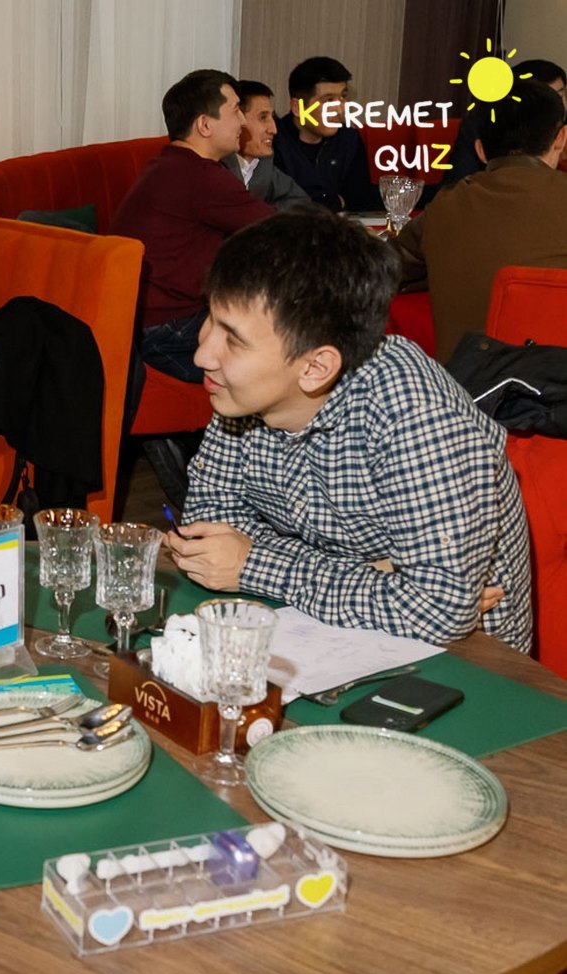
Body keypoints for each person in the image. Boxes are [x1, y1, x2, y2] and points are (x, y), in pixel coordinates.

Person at [166, 205, 530, 651]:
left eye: (233, 340)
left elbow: (437, 612)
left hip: (462, 661)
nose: (203, 354)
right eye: (210, 318)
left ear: (316, 368)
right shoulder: (243, 393)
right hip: (316, 629)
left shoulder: (414, 416)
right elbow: (209, 528)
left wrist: (254, 563)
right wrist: (372, 573)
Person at [112, 70, 274, 384]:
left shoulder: (169, 164)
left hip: (143, 318)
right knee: (287, 347)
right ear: (204, 125)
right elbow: (280, 228)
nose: (243, 122)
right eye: (236, 111)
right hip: (166, 328)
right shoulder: (200, 176)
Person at [392, 80, 567, 362]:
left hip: (465, 382)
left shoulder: (444, 206)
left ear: (480, 150)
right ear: (561, 138)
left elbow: (382, 269)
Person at [271, 56, 381, 211]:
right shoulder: (273, 140)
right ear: (298, 108)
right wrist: (336, 201)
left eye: (343, 97)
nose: (340, 109)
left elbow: (361, 197)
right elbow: (284, 205)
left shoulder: (349, 138)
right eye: (328, 100)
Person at [440, 58, 567, 190]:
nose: (554, 107)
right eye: (542, 101)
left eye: (560, 95)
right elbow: (456, 182)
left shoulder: (563, 127)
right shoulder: (481, 126)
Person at [222, 79, 310, 209]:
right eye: (263, 117)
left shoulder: (263, 164)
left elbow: (301, 202)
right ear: (237, 119)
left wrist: (263, 214)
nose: (273, 130)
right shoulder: (214, 163)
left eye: (272, 117)